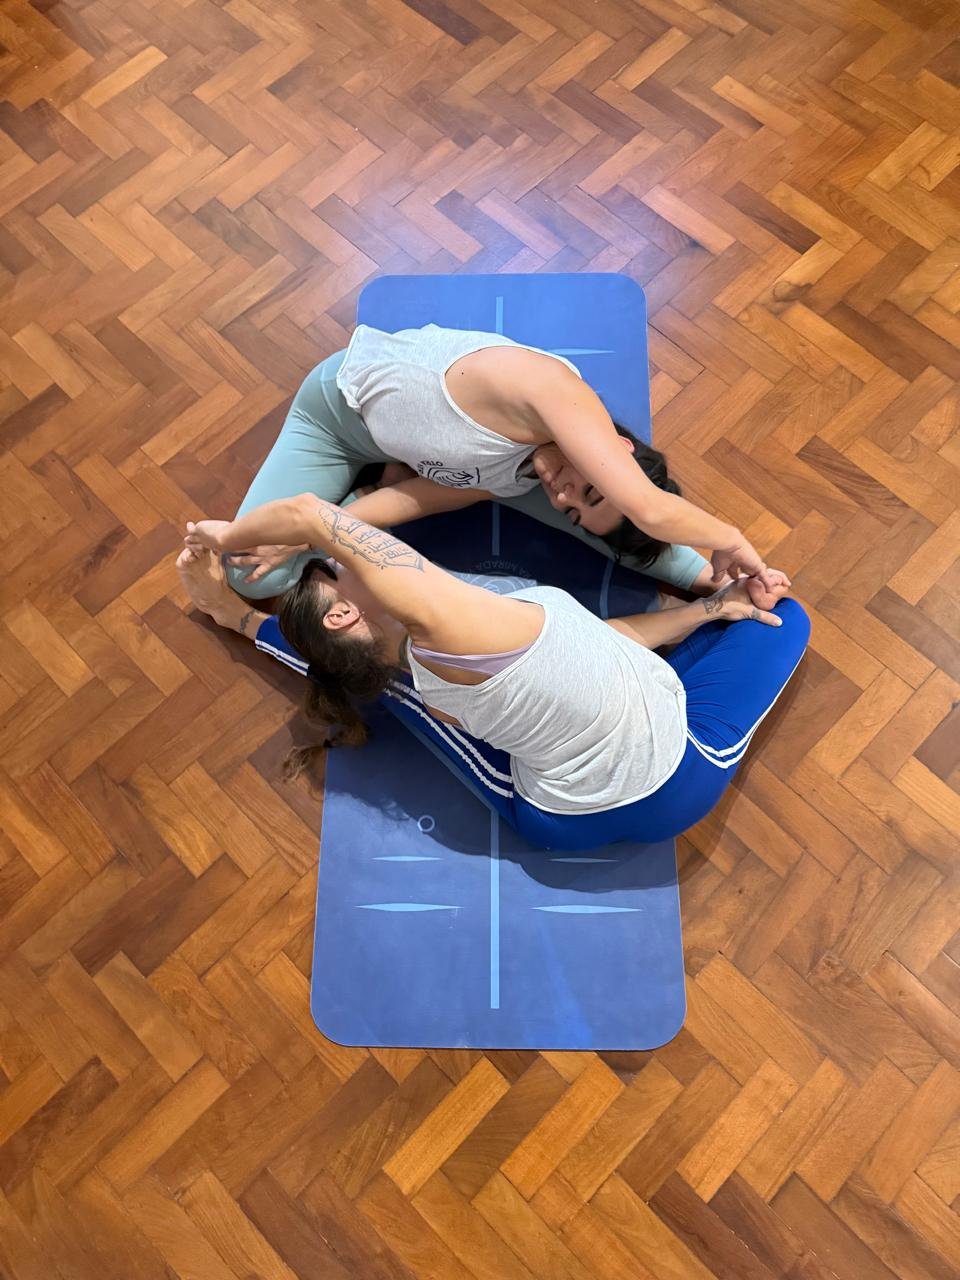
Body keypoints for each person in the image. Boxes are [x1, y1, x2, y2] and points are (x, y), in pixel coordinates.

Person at [181, 493, 808, 852]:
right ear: (344, 611)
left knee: (764, 614)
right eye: (342, 570)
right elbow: (310, 513)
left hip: (640, 734)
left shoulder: (443, 629)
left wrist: (706, 611)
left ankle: (240, 621)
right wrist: (226, 540)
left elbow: (595, 644)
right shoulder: (448, 629)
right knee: (787, 619)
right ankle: (238, 621)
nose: (354, 562)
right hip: (646, 791)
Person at [222, 323, 776, 600]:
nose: (564, 495)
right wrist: (731, 537)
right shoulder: (549, 390)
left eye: (575, 506)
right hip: (334, 418)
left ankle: (706, 578)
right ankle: (376, 471)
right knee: (248, 565)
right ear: (619, 450)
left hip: (422, 459)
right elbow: (648, 507)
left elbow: (419, 500)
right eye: (591, 488)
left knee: (252, 578)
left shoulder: (527, 474)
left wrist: (312, 529)